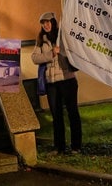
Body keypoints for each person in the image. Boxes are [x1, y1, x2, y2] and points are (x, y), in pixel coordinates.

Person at [31, 12, 82, 155]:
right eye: (43, 23)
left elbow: (74, 52)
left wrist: (62, 51)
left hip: (67, 80)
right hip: (51, 82)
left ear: (53, 22)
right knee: (56, 115)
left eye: (48, 22)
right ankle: (59, 147)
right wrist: (50, 54)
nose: (46, 25)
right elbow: (34, 58)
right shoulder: (41, 40)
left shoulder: (63, 36)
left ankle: (76, 146)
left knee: (72, 113)